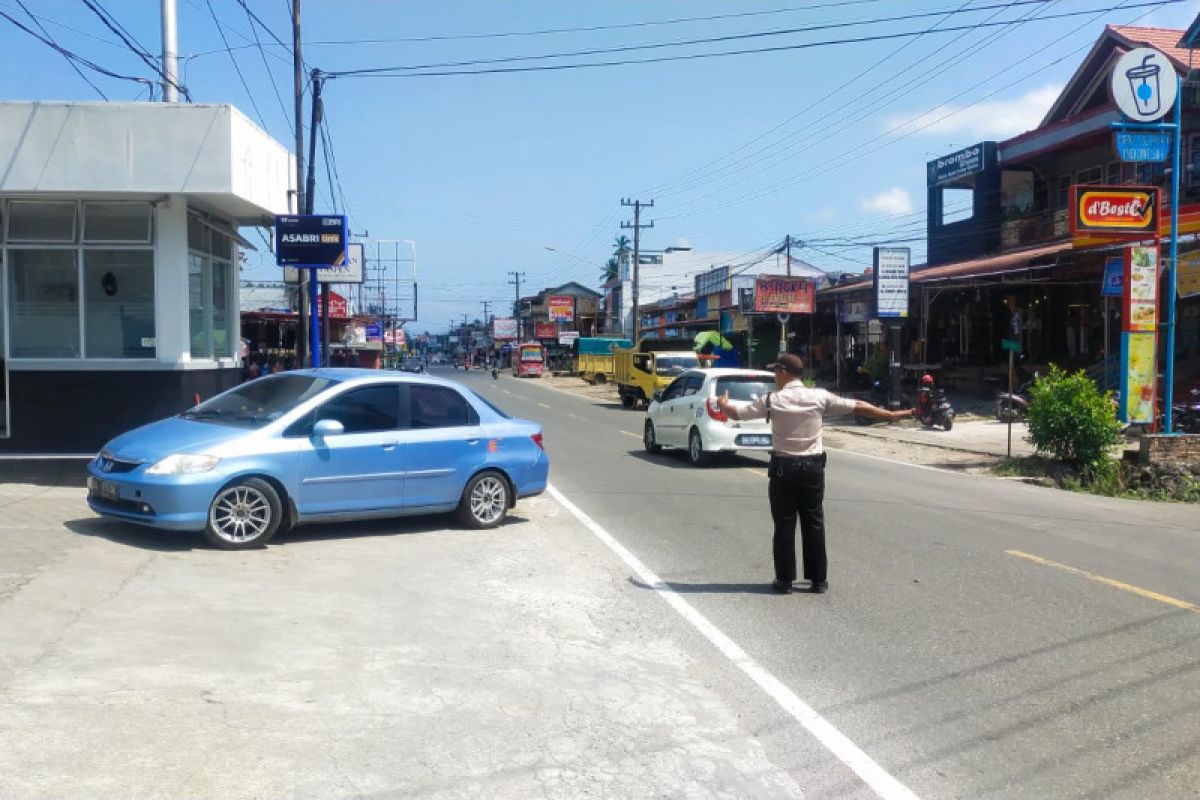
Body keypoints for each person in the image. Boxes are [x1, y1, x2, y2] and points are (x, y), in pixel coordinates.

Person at [716, 354, 912, 595]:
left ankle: (785, 581)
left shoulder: (772, 400)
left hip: (783, 469)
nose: (775, 377)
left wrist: (723, 404)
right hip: (812, 469)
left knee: (784, 525)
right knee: (814, 522)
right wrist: (890, 415)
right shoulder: (819, 396)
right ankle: (818, 580)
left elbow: (738, 413)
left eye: (776, 372)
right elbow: (857, 406)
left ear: (784, 372)